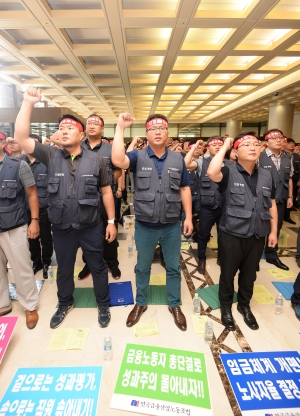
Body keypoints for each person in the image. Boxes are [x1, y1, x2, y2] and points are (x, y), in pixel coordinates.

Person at [14, 86, 117, 329]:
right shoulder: (51, 155)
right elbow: (21, 138)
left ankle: (102, 303)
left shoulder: (97, 159)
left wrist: (111, 221)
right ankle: (64, 302)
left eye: (70, 128)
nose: (64, 131)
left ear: (81, 135)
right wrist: (28, 103)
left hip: (91, 225)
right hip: (61, 226)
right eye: (61, 128)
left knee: (98, 265)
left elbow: (105, 191)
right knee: (64, 268)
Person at [112, 113, 193, 331]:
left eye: (162, 128)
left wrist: (189, 217)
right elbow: (118, 160)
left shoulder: (178, 159)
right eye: (153, 128)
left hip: (171, 224)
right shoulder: (137, 157)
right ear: (147, 134)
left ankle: (174, 304)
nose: (158, 131)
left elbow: (184, 188)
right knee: (142, 267)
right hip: (146, 225)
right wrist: (120, 127)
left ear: (168, 133)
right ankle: (141, 302)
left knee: (174, 267)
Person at [207, 133, 278, 331]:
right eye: (246, 145)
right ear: (236, 152)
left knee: (249, 274)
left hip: (257, 233)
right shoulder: (228, 171)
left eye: (256, 144)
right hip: (232, 232)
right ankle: (226, 307)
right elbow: (212, 172)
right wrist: (226, 145)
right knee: (228, 273)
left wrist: (273, 232)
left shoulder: (266, 174)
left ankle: (245, 306)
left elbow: (271, 204)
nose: (253, 147)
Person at [0, 130, 40, 329]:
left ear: (2, 143)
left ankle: (30, 305)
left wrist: (34, 221)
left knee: (21, 267)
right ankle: (2, 304)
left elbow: (32, 194)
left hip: (13, 225)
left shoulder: (18, 165)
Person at [78, 114, 122, 280]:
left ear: (102, 128)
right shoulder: (78, 146)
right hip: (84, 199)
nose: (92, 126)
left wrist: (107, 183)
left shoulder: (109, 149)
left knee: (109, 232)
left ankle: (112, 263)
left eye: (96, 124)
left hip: (106, 198)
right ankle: (88, 263)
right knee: (85, 234)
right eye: (89, 123)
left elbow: (118, 170)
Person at [185, 136, 227, 273]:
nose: (218, 147)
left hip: (224, 206)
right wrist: (194, 147)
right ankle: (201, 259)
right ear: (207, 148)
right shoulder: (202, 162)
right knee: (203, 234)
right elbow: (186, 163)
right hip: (207, 206)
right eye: (214, 145)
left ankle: (221, 257)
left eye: (221, 145)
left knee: (223, 234)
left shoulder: (228, 164)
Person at [259, 129, 293, 270]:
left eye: (280, 137)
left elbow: (289, 178)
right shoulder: (259, 157)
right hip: (262, 198)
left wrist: (290, 196)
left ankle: (272, 255)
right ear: (266, 142)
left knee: (276, 227)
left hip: (279, 198)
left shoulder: (287, 157)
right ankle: (254, 256)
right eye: (274, 138)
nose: (279, 140)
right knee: (259, 227)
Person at [24, 134, 53, 279]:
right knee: (31, 238)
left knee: (46, 237)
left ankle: (47, 261)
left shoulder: (45, 163)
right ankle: (36, 262)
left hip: (44, 208)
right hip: (25, 209)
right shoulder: (20, 163)